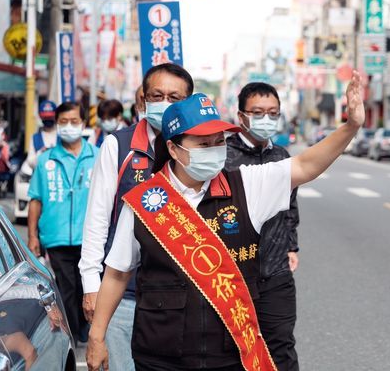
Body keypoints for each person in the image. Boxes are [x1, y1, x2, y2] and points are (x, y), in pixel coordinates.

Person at [86, 70, 364, 371]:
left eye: (219, 142)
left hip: (230, 353)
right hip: (161, 353)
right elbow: (117, 273)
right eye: (203, 144)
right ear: (173, 148)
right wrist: (97, 336)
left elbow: (306, 165)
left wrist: (350, 127)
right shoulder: (147, 201)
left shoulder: (246, 185)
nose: (215, 151)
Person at [79, 64, 194, 371]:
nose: (165, 103)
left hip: (184, 295)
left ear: (188, 101)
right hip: (124, 295)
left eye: (175, 97)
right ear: (143, 100)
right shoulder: (119, 145)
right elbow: (97, 220)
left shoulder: (201, 149)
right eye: (158, 95)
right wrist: (92, 283)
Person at [225, 82, 299, 371]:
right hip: (233, 275)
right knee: (233, 349)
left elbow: (290, 206)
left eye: (272, 113)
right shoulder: (222, 156)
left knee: (281, 346)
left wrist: (292, 245)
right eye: (257, 112)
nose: (265, 119)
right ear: (241, 115)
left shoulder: (282, 156)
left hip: (276, 274)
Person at [27, 102, 98, 344]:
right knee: (66, 287)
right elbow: (35, 199)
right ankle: (75, 333)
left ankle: (85, 329)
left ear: (84, 123)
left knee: (85, 285)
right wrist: (33, 236)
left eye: (74, 121)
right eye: (64, 122)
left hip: (90, 236)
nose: (69, 127)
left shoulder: (97, 156)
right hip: (55, 237)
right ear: (57, 125)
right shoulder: (45, 160)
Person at [26, 100, 58, 169]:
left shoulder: (62, 136)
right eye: (46, 117)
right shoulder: (35, 138)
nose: (48, 119)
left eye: (50, 117)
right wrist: (40, 153)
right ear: (41, 117)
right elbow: (30, 162)